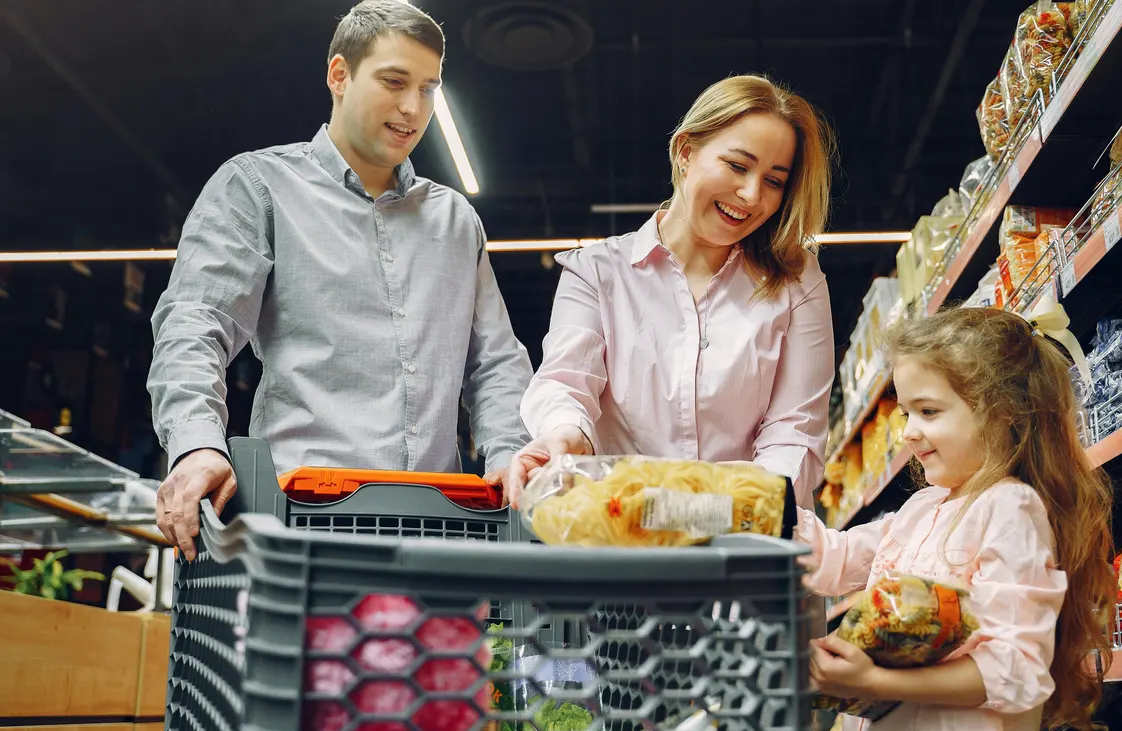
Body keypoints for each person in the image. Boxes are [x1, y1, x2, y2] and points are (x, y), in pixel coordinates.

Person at [147, 0, 532, 560]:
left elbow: (494, 362)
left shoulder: (454, 221)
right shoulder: (258, 188)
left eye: (428, 88)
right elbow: (195, 323)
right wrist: (196, 445)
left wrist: (509, 456)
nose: (412, 107)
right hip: (298, 528)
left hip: (437, 532)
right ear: (339, 75)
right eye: (394, 81)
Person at [506, 74, 836, 509]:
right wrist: (566, 435)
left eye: (774, 181)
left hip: (748, 541)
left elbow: (795, 431)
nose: (752, 195)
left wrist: (722, 510)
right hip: (623, 532)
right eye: (737, 165)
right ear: (685, 152)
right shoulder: (598, 272)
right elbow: (566, 382)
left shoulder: (797, 281)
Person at [799, 307, 1115, 731]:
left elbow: (1015, 668)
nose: (908, 432)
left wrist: (875, 683)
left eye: (928, 411)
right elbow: (835, 560)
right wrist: (748, 506)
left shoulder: (1009, 507)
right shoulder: (920, 510)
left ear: (1003, 414)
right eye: (906, 413)